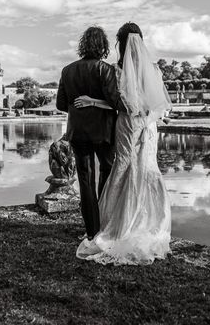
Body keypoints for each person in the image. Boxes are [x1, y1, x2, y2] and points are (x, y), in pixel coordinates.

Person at [74, 22, 173, 265]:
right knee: (148, 169)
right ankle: (151, 223)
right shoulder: (154, 69)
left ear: (120, 43)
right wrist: (147, 121)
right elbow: (157, 106)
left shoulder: (118, 71)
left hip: (128, 125)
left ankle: (116, 226)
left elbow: (122, 105)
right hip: (148, 127)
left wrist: (92, 102)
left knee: (125, 167)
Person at [56, 26, 120, 240]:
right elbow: (115, 102)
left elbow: (61, 104)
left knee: (85, 180)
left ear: (83, 45)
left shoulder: (67, 70)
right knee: (106, 174)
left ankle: (92, 230)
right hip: (103, 132)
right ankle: (104, 224)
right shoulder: (105, 69)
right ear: (103, 46)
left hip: (78, 132)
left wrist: (80, 108)